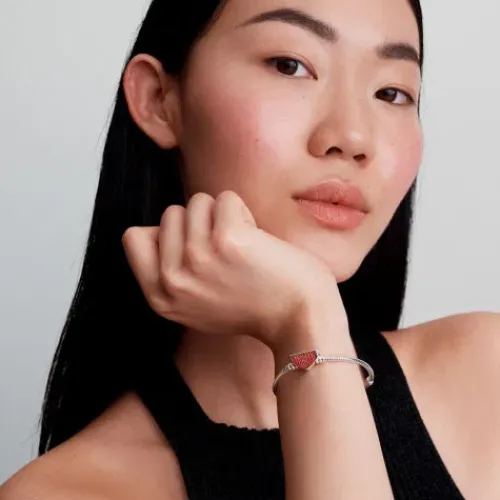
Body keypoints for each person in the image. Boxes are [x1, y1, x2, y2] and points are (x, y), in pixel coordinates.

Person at [1, 0, 499, 498]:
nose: (352, 137)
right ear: (158, 99)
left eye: (391, 93)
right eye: (290, 66)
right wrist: (306, 320)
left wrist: (306, 322)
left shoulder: (483, 380)